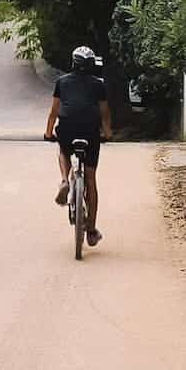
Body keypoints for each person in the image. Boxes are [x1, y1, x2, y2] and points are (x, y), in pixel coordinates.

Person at [43, 46, 112, 247]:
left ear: (72, 63)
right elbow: (105, 113)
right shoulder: (98, 85)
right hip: (90, 131)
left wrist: (48, 133)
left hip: (67, 128)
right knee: (90, 179)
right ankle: (91, 230)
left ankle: (65, 180)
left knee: (63, 149)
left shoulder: (61, 82)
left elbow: (54, 112)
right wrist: (107, 133)